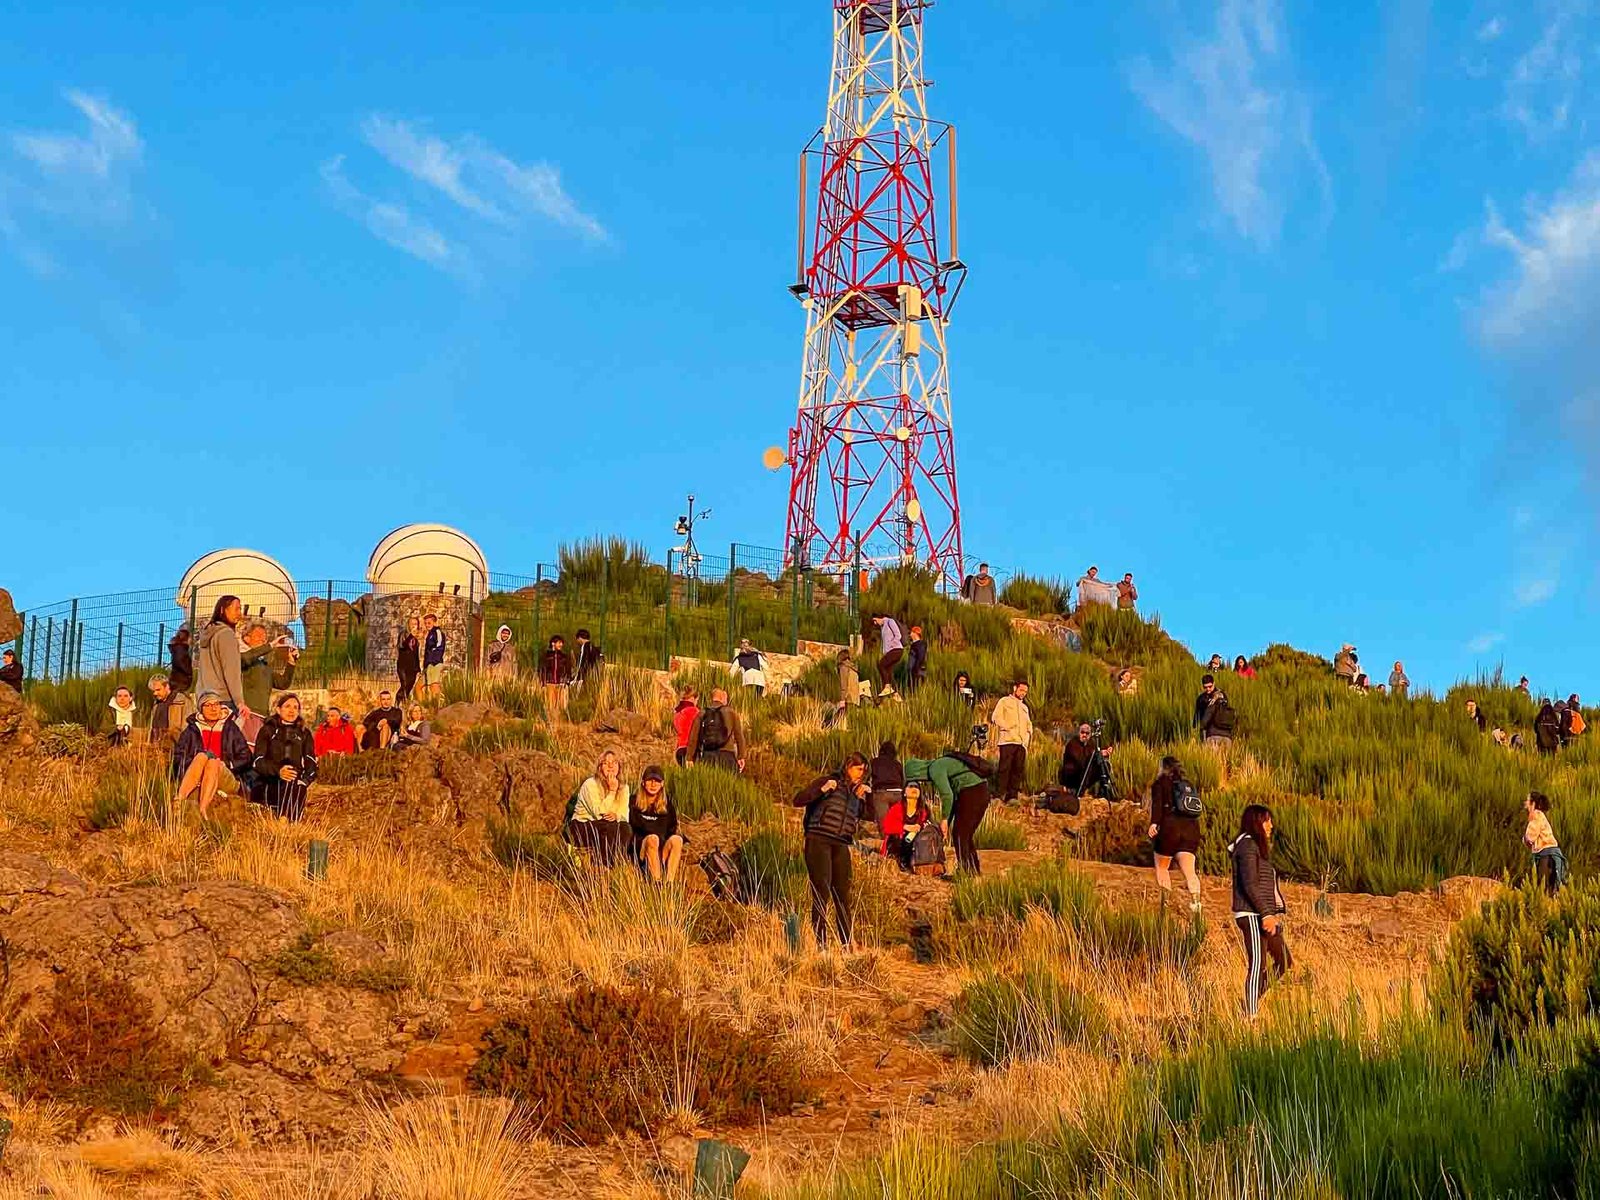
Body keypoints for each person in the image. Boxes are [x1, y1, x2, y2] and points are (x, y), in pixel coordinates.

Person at [791, 752, 870, 950]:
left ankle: (846, 944)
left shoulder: (857, 793)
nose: (862, 774)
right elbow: (799, 799)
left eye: (864, 771)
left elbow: (873, 816)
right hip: (818, 840)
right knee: (821, 893)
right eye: (859, 769)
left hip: (841, 844)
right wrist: (823, 789)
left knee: (843, 895)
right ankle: (821, 946)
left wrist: (865, 798)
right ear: (848, 766)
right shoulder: (829, 781)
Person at [1230, 804, 1290, 1018]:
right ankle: (1250, 1016)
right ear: (1256, 822)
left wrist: (1272, 913)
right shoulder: (1247, 845)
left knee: (1284, 961)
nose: (1271, 825)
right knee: (1258, 964)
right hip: (1251, 914)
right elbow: (1249, 884)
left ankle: (1249, 1003)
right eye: (1267, 820)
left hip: (1264, 915)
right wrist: (1265, 913)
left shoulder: (1257, 847)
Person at [904, 751, 989, 875]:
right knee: (964, 834)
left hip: (972, 792)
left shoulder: (935, 769)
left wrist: (944, 819)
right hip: (979, 791)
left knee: (960, 834)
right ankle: (972, 871)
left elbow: (947, 795)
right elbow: (954, 798)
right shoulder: (939, 764)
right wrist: (947, 822)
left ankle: (965, 872)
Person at [173, 691, 252, 817]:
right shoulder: (191, 730)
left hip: (226, 775)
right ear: (201, 709)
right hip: (197, 773)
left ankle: (202, 808)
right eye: (208, 705)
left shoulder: (230, 728)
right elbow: (178, 758)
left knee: (213, 762)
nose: (213, 708)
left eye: (216, 704)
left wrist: (227, 764)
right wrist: (197, 765)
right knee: (202, 756)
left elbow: (246, 757)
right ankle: (179, 800)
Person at [1149, 756, 1202, 914]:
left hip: (1170, 829)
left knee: (1162, 867)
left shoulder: (1160, 783)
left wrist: (1154, 823)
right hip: (1191, 830)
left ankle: (1165, 905)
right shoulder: (1188, 785)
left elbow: (1158, 804)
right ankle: (1196, 905)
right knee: (1190, 871)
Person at [251, 693, 318, 821]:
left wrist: (305, 780)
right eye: (287, 706)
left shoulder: (304, 733)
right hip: (269, 781)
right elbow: (258, 761)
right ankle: (286, 822)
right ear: (278, 709)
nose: (292, 710)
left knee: (296, 783)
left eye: (295, 707)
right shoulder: (267, 730)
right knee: (289, 780)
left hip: (294, 783)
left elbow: (311, 761)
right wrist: (278, 771)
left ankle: (284, 821)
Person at [568, 750, 632, 866]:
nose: (611, 766)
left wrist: (616, 816)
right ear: (599, 767)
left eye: (614, 762)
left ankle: (616, 865)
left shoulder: (624, 788)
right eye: (606, 763)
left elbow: (624, 816)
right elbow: (598, 813)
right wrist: (612, 792)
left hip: (609, 826)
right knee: (608, 826)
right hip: (583, 825)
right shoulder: (590, 784)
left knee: (625, 828)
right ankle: (600, 865)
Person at [239, 624, 298, 742]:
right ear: (246, 638)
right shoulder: (241, 657)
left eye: (265, 637)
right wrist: (270, 646)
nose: (262, 639)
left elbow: (282, 683)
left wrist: (291, 663)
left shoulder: (264, 665)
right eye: (258, 635)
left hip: (262, 716)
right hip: (247, 714)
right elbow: (246, 658)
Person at [195, 595, 248, 717]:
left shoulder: (207, 635)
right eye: (236, 609)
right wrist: (239, 702)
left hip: (204, 698)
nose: (239, 614)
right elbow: (231, 671)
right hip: (223, 700)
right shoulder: (226, 635)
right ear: (222, 610)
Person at [629, 765, 682, 883]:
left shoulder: (668, 805)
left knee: (677, 840)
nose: (653, 784)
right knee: (652, 839)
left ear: (662, 784)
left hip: (661, 851)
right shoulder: (633, 802)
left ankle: (669, 884)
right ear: (643, 783)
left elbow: (671, 830)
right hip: (641, 851)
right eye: (650, 780)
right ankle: (657, 884)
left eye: (657, 781)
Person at [991, 680, 1033, 803]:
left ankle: (1012, 796)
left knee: (1017, 770)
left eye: (1025, 691)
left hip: (1021, 743)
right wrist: (1007, 726)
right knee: (1004, 769)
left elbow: (1028, 724)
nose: (1023, 693)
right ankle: (999, 795)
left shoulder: (1024, 707)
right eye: (1021, 690)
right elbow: (995, 717)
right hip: (1007, 741)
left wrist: (1027, 738)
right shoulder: (1004, 701)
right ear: (1015, 688)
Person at [688, 688, 746, 772]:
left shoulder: (702, 713)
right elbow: (739, 737)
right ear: (722, 698)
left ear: (712, 698)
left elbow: (693, 737)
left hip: (708, 755)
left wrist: (689, 757)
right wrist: (741, 756)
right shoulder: (731, 713)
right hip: (727, 755)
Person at [881, 779, 934, 870]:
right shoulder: (897, 808)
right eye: (910, 786)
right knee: (896, 838)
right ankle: (898, 861)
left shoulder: (924, 811)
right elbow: (887, 827)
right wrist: (905, 827)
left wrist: (921, 827)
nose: (914, 788)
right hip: (898, 844)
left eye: (917, 787)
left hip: (917, 845)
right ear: (904, 793)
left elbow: (930, 827)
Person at [1523, 791, 1567, 894]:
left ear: (1533, 804)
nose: (1525, 803)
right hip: (1550, 854)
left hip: (1546, 856)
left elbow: (1530, 837)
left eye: (1528, 801)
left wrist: (1525, 839)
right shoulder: (1541, 816)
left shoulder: (1536, 816)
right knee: (1550, 889)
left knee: (1543, 887)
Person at [1058, 721, 1113, 799]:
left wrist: (1106, 751)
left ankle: (1103, 792)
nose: (1084, 735)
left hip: (1085, 774)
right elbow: (1081, 761)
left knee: (1105, 764)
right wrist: (1097, 754)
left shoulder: (1091, 743)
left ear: (1090, 735)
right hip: (1072, 776)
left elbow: (1094, 755)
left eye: (1087, 733)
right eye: (1082, 732)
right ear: (1079, 733)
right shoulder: (1072, 744)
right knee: (1088, 764)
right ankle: (1079, 792)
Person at [146, 673, 192, 748]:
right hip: (158, 747)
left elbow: (188, 728)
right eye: (153, 691)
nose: (155, 693)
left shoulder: (182, 701)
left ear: (167, 686)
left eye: (158, 690)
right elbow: (152, 729)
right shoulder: (156, 704)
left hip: (176, 747)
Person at [1193, 674, 1237, 749]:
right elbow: (1197, 716)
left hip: (1212, 733)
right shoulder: (1201, 699)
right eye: (1205, 687)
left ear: (1214, 683)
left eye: (1210, 686)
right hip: (1219, 733)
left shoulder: (1220, 696)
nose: (1208, 689)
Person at [868, 740, 904, 829]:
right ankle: (898, 840)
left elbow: (868, 776)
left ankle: (886, 841)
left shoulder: (875, 762)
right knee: (898, 821)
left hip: (882, 793)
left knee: (884, 824)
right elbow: (903, 780)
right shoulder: (897, 764)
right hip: (898, 793)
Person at [540, 634, 574, 718]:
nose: (561, 645)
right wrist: (543, 683)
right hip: (549, 683)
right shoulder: (546, 656)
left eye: (561, 643)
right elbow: (542, 670)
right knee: (550, 706)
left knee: (562, 707)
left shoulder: (564, 657)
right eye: (559, 643)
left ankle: (561, 723)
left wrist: (567, 681)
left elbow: (568, 670)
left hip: (561, 684)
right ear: (553, 643)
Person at [872, 614, 904, 699]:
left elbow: (898, 635)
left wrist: (892, 644)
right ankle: (896, 694)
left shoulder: (890, 621)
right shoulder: (883, 627)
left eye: (875, 620)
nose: (875, 623)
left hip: (896, 650)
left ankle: (887, 686)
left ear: (879, 617)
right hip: (890, 651)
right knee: (888, 671)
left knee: (881, 665)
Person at [672, 686, 699, 767]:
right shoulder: (694, 711)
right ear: (692, 698)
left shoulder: (677, 712)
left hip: (679, 748)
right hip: (691, 749)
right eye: (697, 700)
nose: (696, 702)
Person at [396, 617, 421, 703]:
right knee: (404, 685)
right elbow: (402, 646)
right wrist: (411, 635)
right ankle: (398, 701)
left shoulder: (416, 640)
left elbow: (416, 654)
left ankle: (404, 703)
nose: (414, 626)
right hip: (403, 666)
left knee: (409, 686)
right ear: (408, 625)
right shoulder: (403, 635)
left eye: (416, 624)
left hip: (412, 667)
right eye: (412, 624)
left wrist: (418, 667)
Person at [422, 613, 447, 700]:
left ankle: (437, 702)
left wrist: (434, 660)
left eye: (429, 623)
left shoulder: (437, 632)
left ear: (435, 622)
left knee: (434, 684)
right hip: (429, 663)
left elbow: (439, 646)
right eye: (425, 623)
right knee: (429, 685)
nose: (427, 625)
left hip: (435, 663)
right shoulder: (430, 634)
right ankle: (430, 702)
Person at [167, 626, 194, 693]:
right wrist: (188, 672)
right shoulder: (181, 649)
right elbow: (179, 660)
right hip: (180, 682)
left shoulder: (178, 648)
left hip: (177, 681)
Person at [905, 625, 929, 693]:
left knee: (916, 689)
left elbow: (921, 657)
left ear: (915, 633)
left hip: (917, 671)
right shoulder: (915, 644)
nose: (910, 634)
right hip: (915, 671)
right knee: (912, 689)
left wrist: (916, 668)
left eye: (911, 632)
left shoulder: (920, 644)